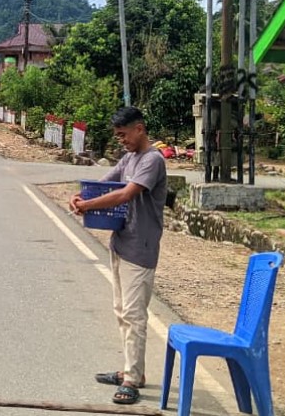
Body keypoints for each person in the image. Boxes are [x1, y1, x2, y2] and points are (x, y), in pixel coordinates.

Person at [69, 106, 167, 406]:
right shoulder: (128, 158)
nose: (121, 140)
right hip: (121, 243)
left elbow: (125, 194)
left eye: (123, 134)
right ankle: (131, 370)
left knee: (134, 316)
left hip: (141, 248)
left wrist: (88, 205)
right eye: (117, 136)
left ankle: (132, 380)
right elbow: (104, 185)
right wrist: (82, 197)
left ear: (139, 129)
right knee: (122, 311)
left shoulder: (152, 160)